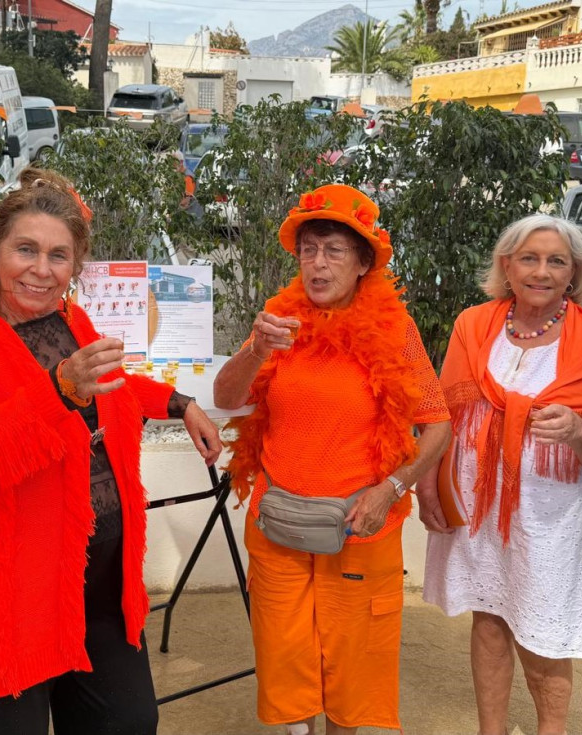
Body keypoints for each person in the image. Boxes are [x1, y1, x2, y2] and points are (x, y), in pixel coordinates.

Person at [0, 167, 222, 734]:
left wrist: (179, 403)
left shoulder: (73, 321)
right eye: (25, 249)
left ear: (75, 266)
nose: (41, 269)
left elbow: (109, 387)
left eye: (58, 255)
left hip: (101, 582)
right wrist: (57, 392)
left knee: (128, 722)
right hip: (10, 594)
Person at [214, 184, 452, 735]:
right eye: (308, 250)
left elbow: (437, 424)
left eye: (334, 250)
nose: (317, 264)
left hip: (359, 527)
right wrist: (255, 350)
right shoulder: (278, 322)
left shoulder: (395, 330)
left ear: (363, 262)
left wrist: (391, 489)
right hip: (279, 525)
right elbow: (227, 398)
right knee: (285, 665)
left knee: (352, 673)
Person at [416, 214, 582, 735]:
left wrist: (576, 429)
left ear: (574, 273)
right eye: (529, 258)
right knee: (488, 619)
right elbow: (442, 413)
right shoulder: (473, 325)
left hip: (551, 517)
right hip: (478, 506)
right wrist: (426, 484)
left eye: (556, 261)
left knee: (543, 637)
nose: (541, 272)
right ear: (507, 266)